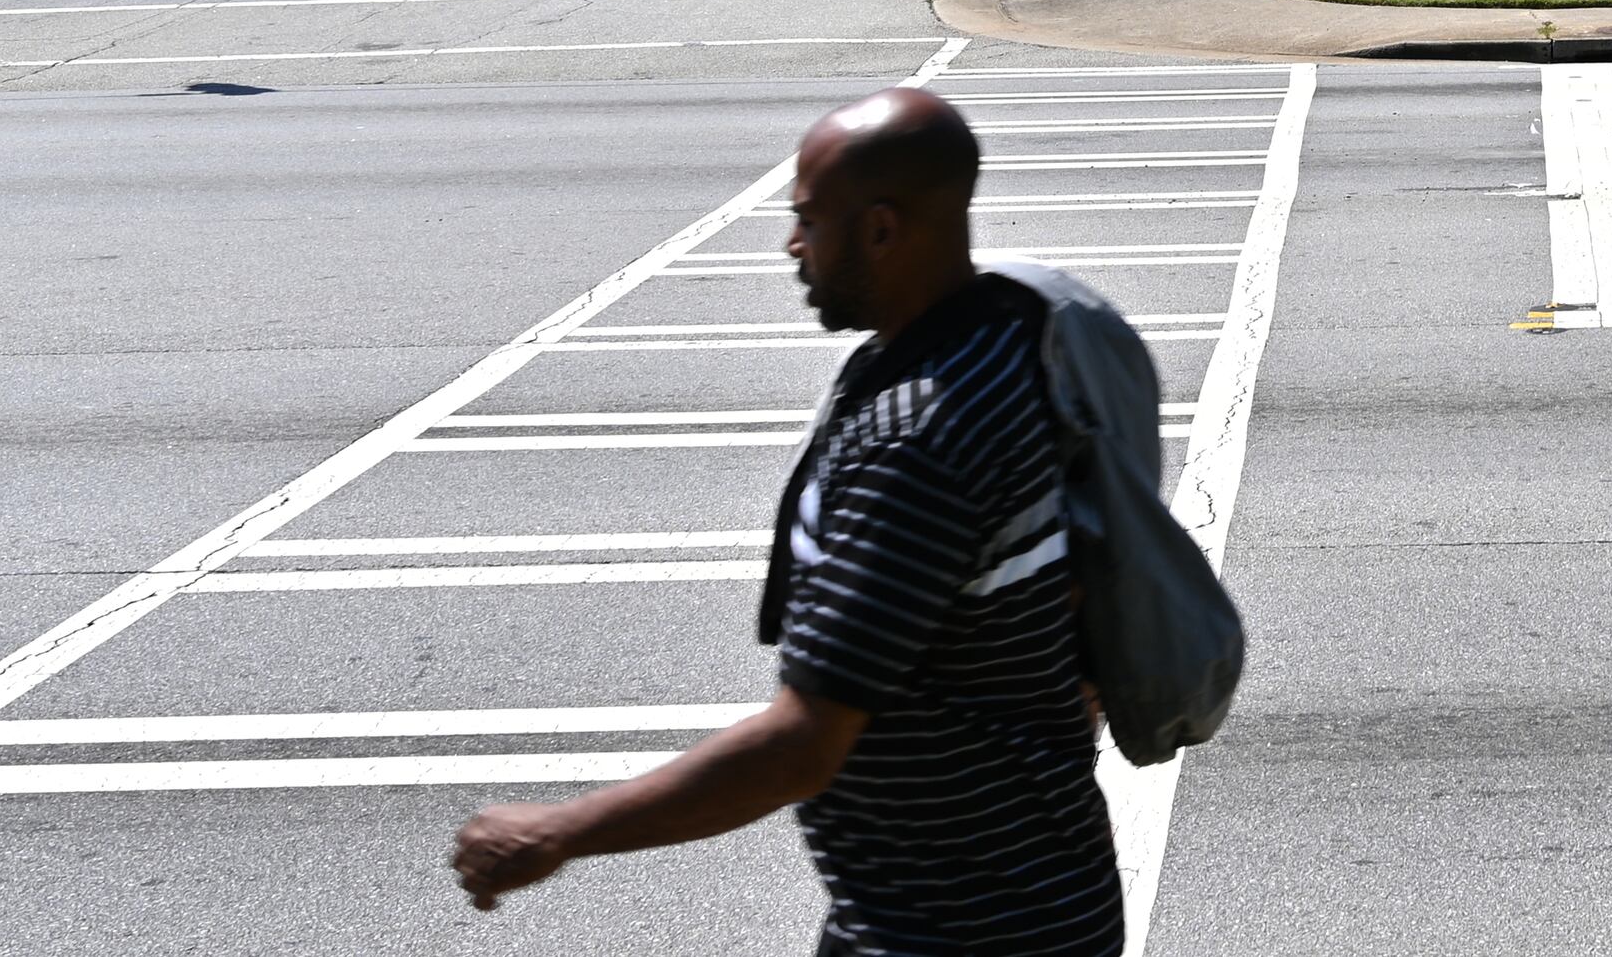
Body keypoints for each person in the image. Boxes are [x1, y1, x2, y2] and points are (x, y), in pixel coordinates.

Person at [450, 87, 1119, 953]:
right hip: (1010, 897)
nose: (792, 244)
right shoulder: (1008, 341)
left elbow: (805, 743)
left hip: (960, 929)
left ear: (880, 230)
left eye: (809, 219)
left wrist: (559, 831)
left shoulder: (913, 444)